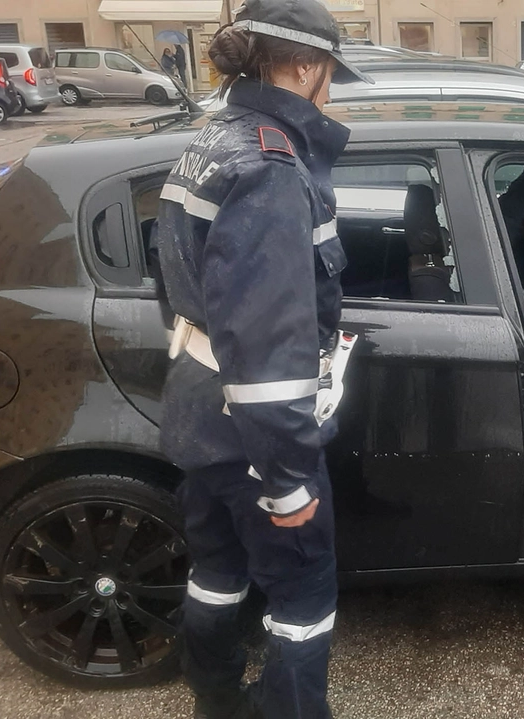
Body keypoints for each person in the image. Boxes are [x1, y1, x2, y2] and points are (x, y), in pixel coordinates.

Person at [153, 0, 372, 716]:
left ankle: (215, 701)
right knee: (304, 595)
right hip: (253, 431)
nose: (330, 88)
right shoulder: (275, 167)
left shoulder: (212, 139)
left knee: (216, 571)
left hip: (196, 405)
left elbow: (183, 284)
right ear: (304, 66)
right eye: (329, 72)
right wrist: (286, 481)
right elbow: (268, 347)